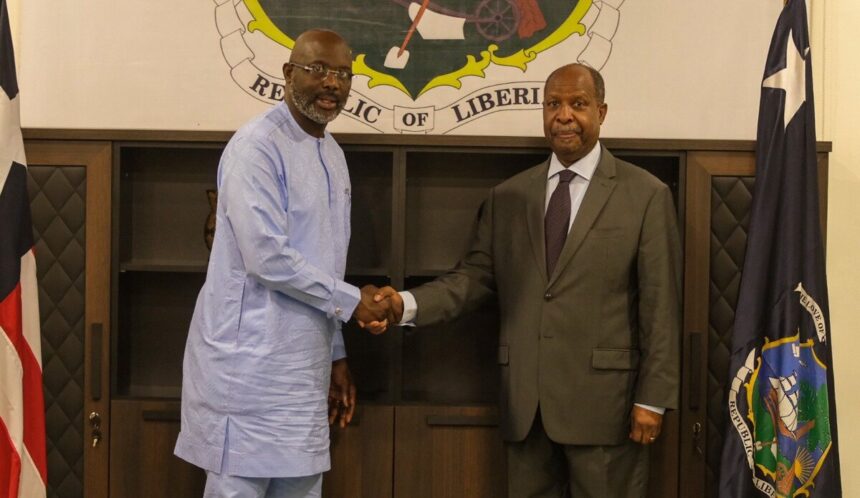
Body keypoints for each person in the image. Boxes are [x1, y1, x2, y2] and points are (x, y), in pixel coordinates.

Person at [371, 63, 682, 497]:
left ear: (602, 112)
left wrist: (652, 399)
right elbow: (472, 280)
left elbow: (660, 307)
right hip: (526, 407)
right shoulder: (509, 197)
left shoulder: (646, 195)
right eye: (553, 104)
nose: (564, 115)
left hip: (606, 409)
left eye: (578, 104)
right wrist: (404, 305)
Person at [174, 29, 392, 498]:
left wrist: (336, 354)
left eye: (342, 74)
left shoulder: (332, 155)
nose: (331, 83)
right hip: (248, 371)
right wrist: (356, 303)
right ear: (288, 74)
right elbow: (266, 259)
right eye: (317, 70)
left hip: (303, 376)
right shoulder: (257, 147)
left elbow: (325, 267)